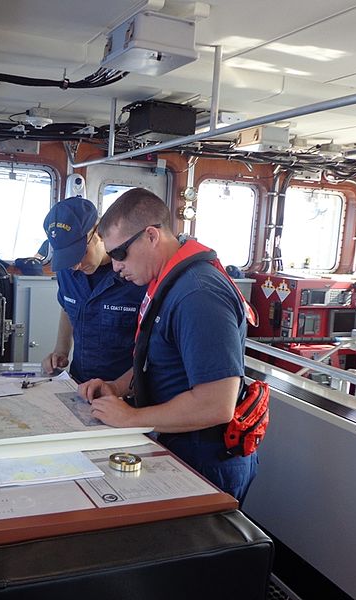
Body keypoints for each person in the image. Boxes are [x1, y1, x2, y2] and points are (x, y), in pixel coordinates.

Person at [78, 188, 258, 503]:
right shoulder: (168, 282)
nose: (116, 267)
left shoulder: (197, 295)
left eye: (119, 254)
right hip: (177, 444)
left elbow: (216, 404)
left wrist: (131, 418)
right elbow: (157, 359)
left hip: (205, 459)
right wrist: (117, 387)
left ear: (150, 236)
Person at [42, 196, 146, 382]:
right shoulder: (67, 271)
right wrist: (61, 350)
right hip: (79, 382)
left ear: (98, 232)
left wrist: (120, 388)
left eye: (79, 254)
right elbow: (67, 306)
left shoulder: (135, 273)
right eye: (67, 257)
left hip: (125, 390)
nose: (76, 265)